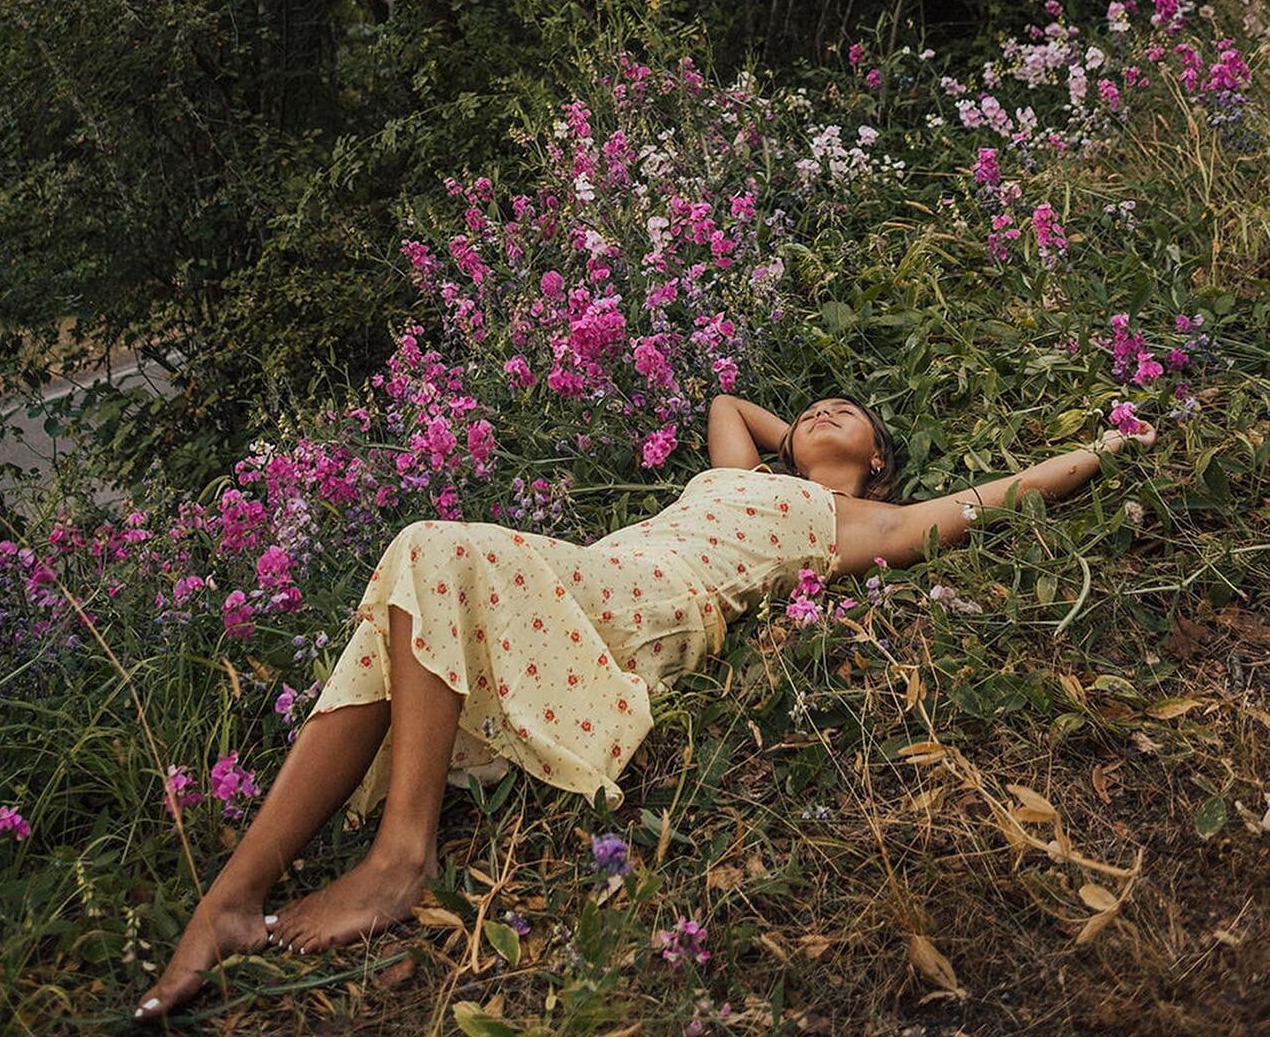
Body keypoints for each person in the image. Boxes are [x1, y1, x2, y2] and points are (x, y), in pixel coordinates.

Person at [132, 389, 1155, 1020]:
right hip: (585, 578)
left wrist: (1110, 448)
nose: (821, 412)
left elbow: (1000, 496)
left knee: (426, 549)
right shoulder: (737, 474)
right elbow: (725, 403)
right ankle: (231, 898)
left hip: (637, 616)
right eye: (812, 407)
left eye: (849, 413)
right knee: (395, 610)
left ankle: (400, 859)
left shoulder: (858, 525)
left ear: (879, 461)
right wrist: (793, 432)